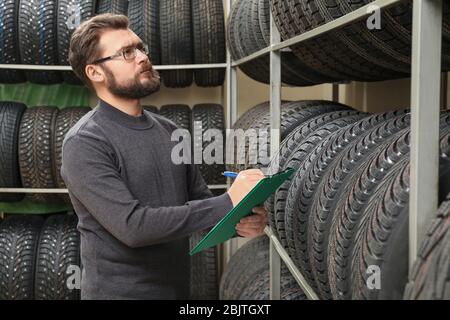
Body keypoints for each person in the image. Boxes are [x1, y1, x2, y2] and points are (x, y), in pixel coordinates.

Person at [61, 13, 268, 300]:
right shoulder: (85, 142)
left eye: (140, 47)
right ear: (95, 72)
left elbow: (201, 206)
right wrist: (229, 200)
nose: (142, 57)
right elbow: (133, 227)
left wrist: (238, 223)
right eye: (126, 52)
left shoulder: (169, 131)